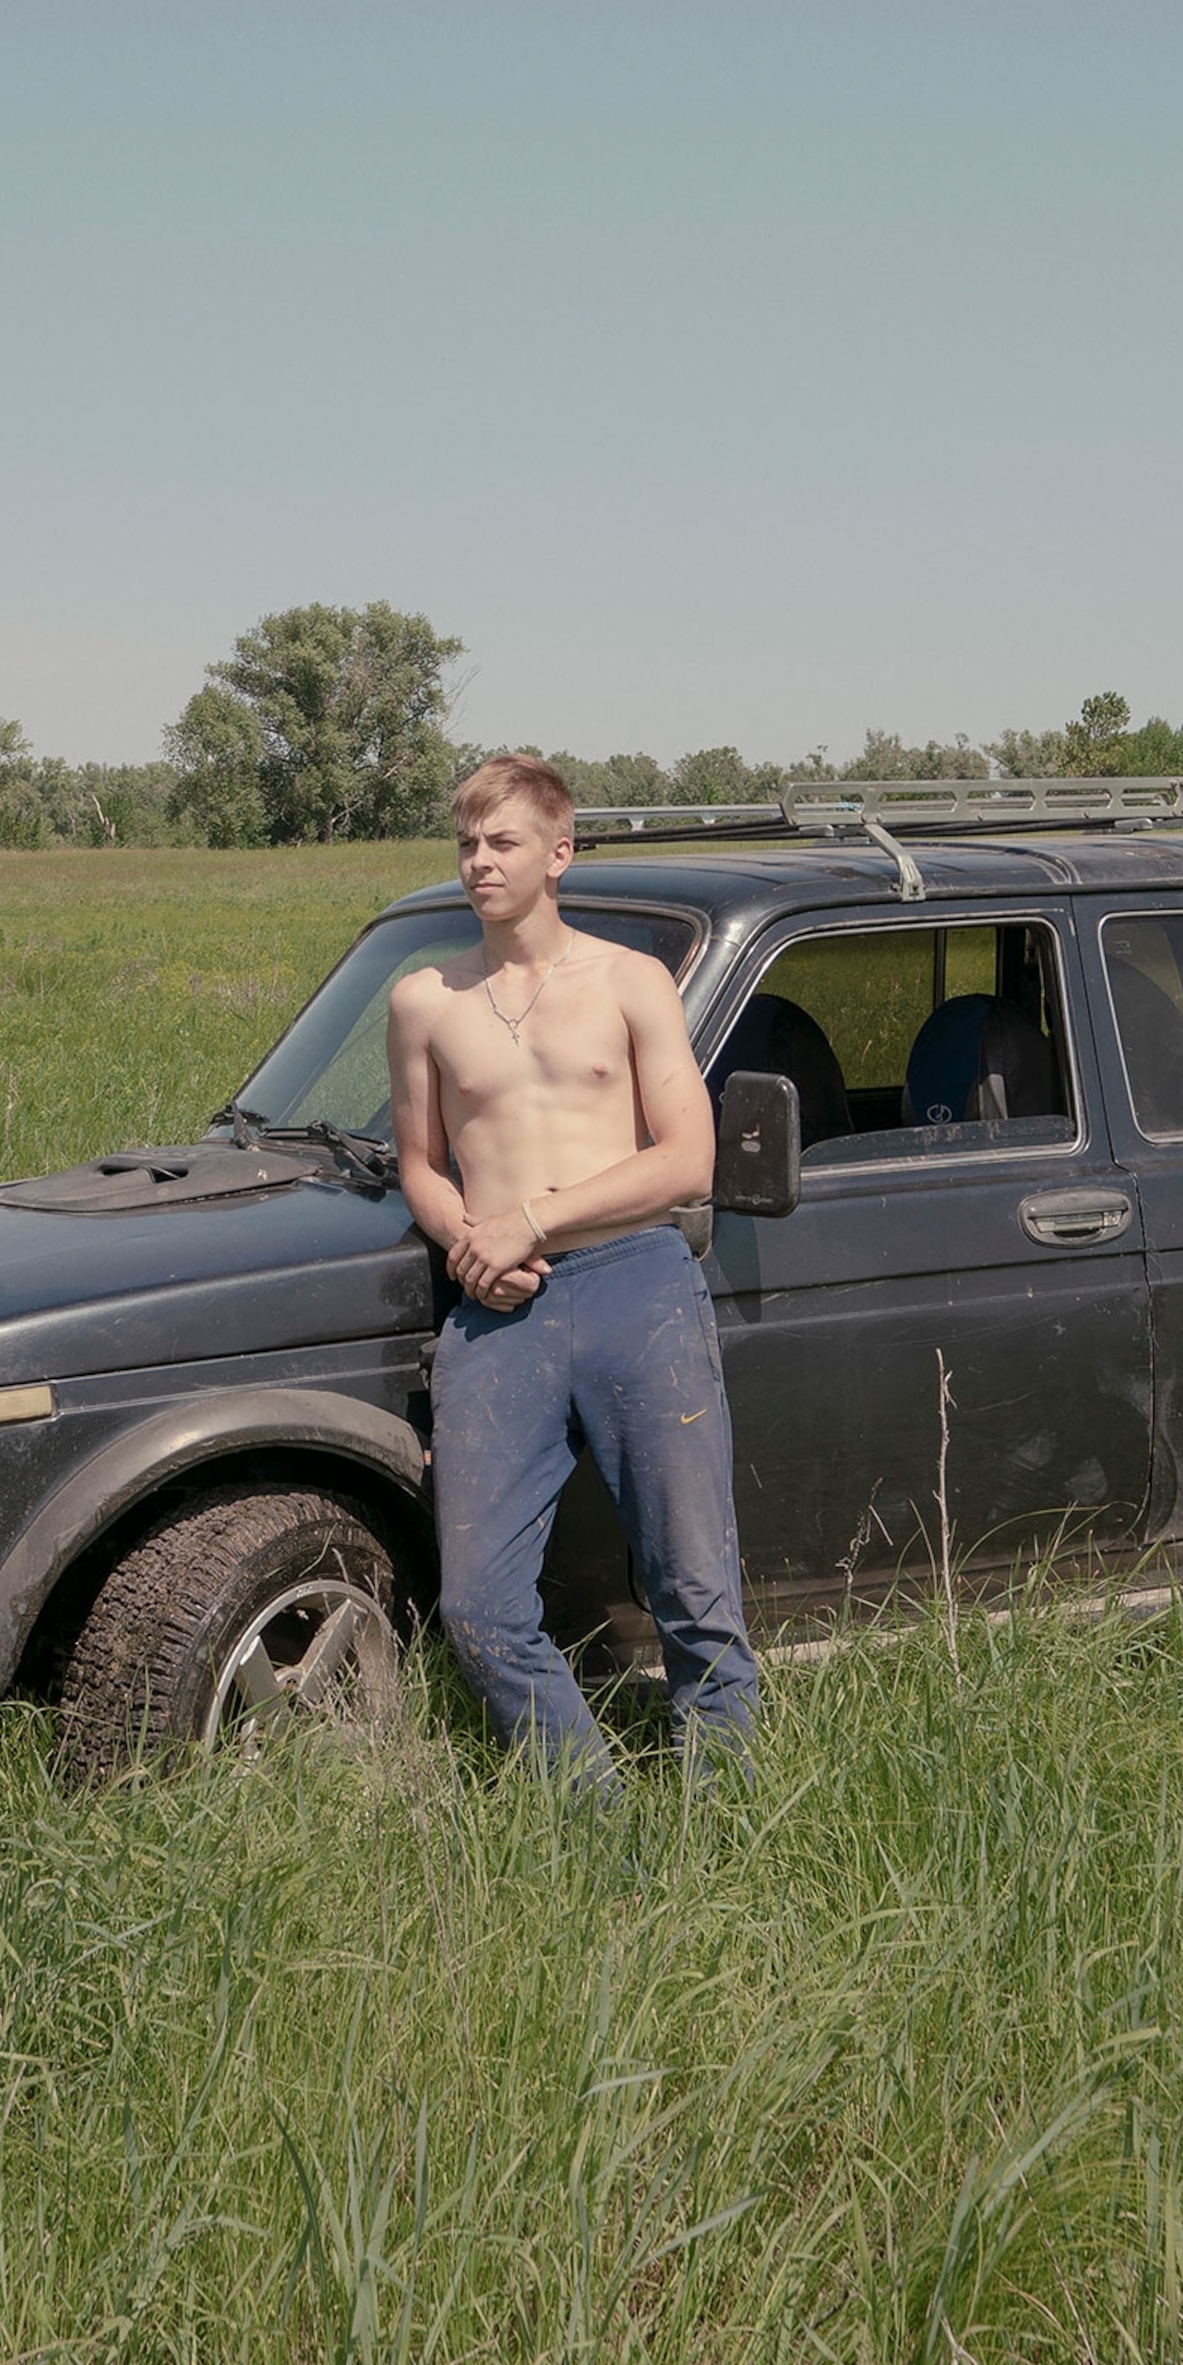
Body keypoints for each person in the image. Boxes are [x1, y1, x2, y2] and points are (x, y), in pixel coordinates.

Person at [387, 752, 758, 1785]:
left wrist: (530, 1220)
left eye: (499, 842)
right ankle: (588, 1816)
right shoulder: (422, 999)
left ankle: (720, 1820)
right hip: (499, 1314)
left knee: (693, 1584)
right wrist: (472, 1244)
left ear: (557, 853)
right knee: (479, 1610)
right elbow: (417, 1163)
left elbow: (686, 1160)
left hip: (636, 1286)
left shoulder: (629, 982)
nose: (476, 863)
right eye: (464, 843)